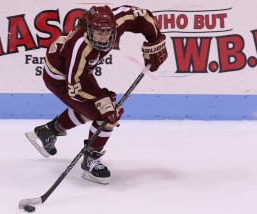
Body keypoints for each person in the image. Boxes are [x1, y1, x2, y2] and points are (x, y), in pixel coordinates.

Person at [29, 5, 168, 184]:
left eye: (108, 32)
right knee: (107, 115)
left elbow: (142, 16)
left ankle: (49, 131)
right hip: (59, 77)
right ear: (89, 29)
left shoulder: (117, 21)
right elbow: (74, 87)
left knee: (96, 109)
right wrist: (103, 102)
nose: (104, 37)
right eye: (98, 33)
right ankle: (90, 160)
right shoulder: (80, 47)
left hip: (79, 74)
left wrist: (155, 39)